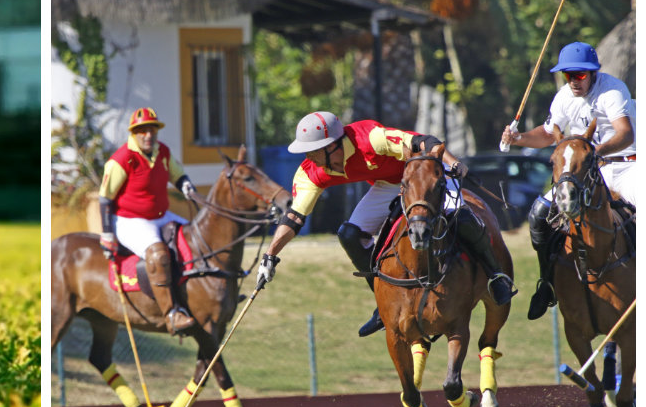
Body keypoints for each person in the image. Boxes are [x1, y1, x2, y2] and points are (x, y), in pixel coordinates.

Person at [256, 111, 514, 337]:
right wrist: (270, 256)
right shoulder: (310, 172)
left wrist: (452, 162)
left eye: (312, 150)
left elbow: (426, 141)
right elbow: (294, 217)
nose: (308, 156)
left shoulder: (371, 138)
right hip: (389, 184)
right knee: (349, 234)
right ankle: (383, 304)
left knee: (460, 214)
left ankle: (496, 276)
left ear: (333, 145)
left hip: (423, 173)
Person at [501, 41, 636, 320]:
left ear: (593, 73)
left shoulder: (612, 91)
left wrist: (593, 153)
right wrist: (519, 139)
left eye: (580, 75)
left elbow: (625, 134)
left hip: (626, 167)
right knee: (539, 213)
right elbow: (550, 134)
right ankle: (548, 283)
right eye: (568, 75)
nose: (574, 81)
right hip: (588, 170)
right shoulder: (564, 97)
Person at [97, 107, 199, 335]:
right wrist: (107, 234)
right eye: (142, 131)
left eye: (151, 130)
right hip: (129, 220)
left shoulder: (162, 152)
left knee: (196, 237)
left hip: (160, 216)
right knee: (158, 254)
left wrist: (185, 185)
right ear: (133, 133)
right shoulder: (122, 159)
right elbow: (105, 198)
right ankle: (172, 314)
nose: (148, 135)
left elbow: (177, 174)